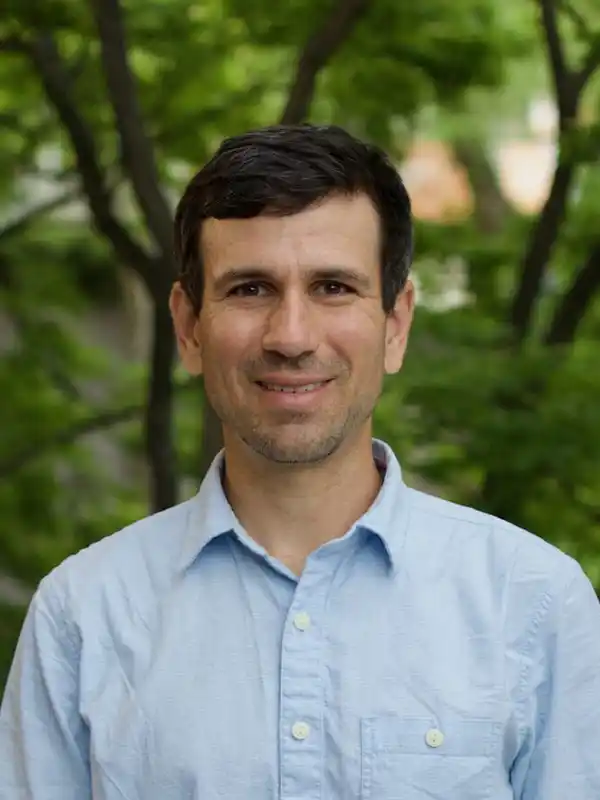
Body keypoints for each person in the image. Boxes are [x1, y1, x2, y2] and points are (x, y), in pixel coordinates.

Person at [1, 124, 599, 800]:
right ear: (189, 327)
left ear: (396, 323)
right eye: (251, 289)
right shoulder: (83, 616)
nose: (291, 336)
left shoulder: (534, 603)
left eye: (333, 287)